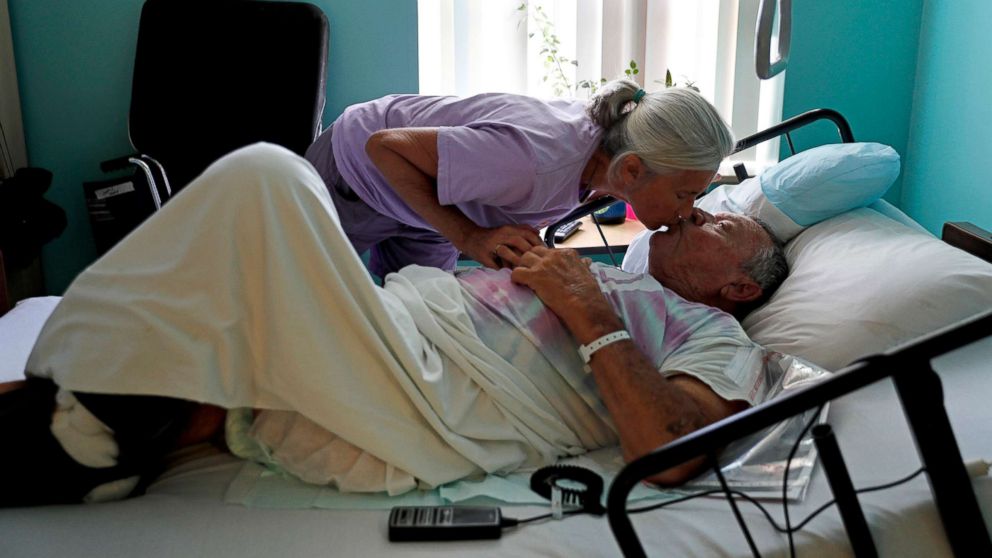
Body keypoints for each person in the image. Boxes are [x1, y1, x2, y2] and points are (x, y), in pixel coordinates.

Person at [0, 143, 785, 506]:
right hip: (390, 333)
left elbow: (673, 450)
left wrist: (583, 308)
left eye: (723, 227)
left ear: (742, 287)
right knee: (226, 267)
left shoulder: (717, 339)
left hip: (426, 398)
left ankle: (81, 414)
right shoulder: (611, 267)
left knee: (266, 177)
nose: (703, 215)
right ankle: (101, 429)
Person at [305, 80, 735, 277]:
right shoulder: (531, 163)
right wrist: (470, 236)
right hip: (360, 172)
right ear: (632, 170)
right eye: (686, 194)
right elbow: (385, 147)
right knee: (298, 295)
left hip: (440, 203)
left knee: (420, 318)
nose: (689, 210)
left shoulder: (600, 165)